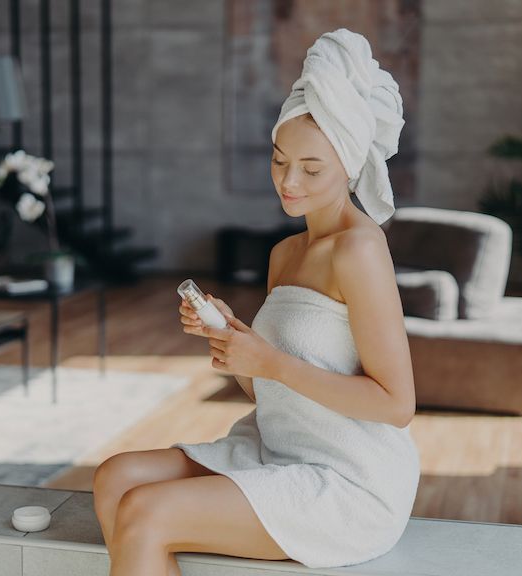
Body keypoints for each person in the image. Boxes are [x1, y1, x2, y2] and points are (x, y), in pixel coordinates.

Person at [93, 28, 420, 574]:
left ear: (350, 165)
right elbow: (270, 388)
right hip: (275, 448)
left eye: (311, 169)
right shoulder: (285, 253)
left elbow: (396, 404)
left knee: (146, 512)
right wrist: (231, 342)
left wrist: (270, 361)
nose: (288, 182)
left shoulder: (359, 249)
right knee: (114, 478)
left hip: (347, 478)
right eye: (279, 160)